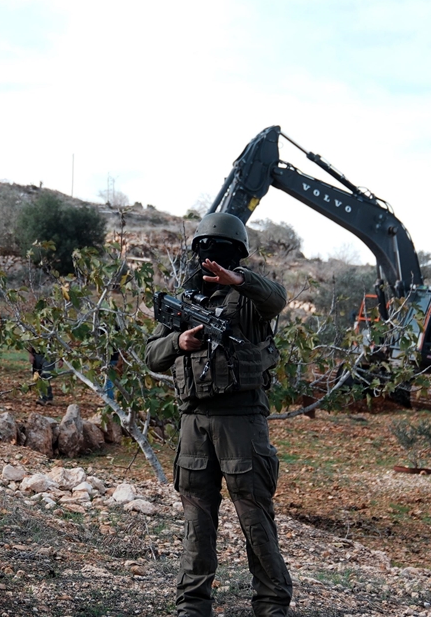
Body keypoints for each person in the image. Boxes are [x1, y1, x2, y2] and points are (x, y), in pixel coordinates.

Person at [145, 212, 292, 617]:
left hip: (241, 420)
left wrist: (238, 281)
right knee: (197, 519)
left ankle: (271, 605)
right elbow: (152, 355)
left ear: (236, 257)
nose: (212, 259)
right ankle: (192, 606)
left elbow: (278, 298)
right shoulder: (184, 302)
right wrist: (180, 341)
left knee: (254, 517)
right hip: (194, 421)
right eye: (206, 252)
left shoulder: (250, 298)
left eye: (221, 255)